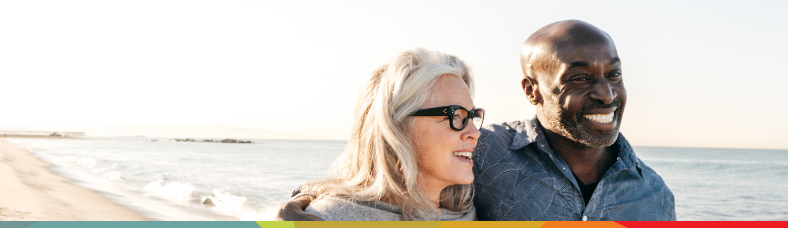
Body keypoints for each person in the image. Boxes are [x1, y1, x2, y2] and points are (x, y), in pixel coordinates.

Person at [277, 20, 675, 221]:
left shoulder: (656, 195)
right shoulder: (485, 152)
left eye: (614, 75)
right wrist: (297, 207)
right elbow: (376, 171)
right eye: (579, 78)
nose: (605, 94)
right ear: (532, 90)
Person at [278, 47, 483, 221]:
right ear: (395, 125)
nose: (475, 133)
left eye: (472, 116)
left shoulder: (467, 212)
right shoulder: (324, 218)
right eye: (455, 115)